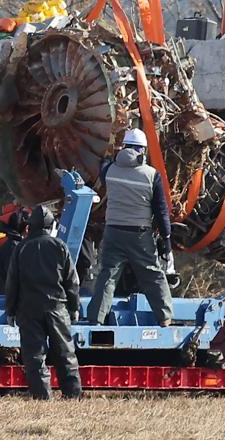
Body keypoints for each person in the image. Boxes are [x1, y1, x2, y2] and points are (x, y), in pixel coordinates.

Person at [87, 128, 174, 325]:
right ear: (143, 150)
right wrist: (166, 238)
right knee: (152, 274)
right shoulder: (152, 175)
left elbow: (103, 163)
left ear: (124, 147)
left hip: (113, 232)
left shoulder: (110, 171)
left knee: (108, 274)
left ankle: (96, 319)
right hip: (139, 234)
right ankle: (165, 318)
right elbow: (161, 211)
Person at [4, 203, 84, 401]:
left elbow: (12, 282)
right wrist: (74, 308)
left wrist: (10, 310)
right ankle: (72, 395)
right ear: (51, 226)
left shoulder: (21, 248)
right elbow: (72, 282)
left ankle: (42, 396)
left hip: (28, 309)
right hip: (57, 308)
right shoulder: (60, 246)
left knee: (35, 356)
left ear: (30, 226)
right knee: (65, 353)